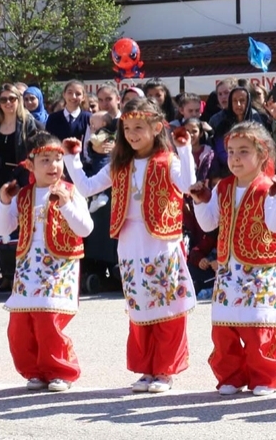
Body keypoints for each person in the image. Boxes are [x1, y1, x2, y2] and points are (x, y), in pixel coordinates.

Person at [63, 98, 198, 394]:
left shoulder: (168, 161)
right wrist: (72, 159)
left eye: (138, 127)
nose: (132, 134)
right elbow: (85, 188)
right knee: (140, 309)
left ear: (157, 126)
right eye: (127, 128)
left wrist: (185, 149)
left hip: (162, 241)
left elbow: (189, 185)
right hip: (129, 244)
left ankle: (164, 370)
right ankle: (147, 369)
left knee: (166, 307)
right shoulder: (119, 164)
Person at [191, 121, 276, 397]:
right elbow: (209, 224)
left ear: (262, 154)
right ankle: (231, 376)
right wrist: (199, 200)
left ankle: (264, 377)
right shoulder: (223, 187)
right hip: (228, 271)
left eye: (243, 151)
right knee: (226, 329)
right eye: (231, 152)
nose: (235, 158)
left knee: (258, 327)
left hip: (260, 269)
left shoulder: (269, 186)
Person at [0, 132, 94, 393]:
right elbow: (2, 228)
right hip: (28, 267)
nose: (54, 166)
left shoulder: (71, 192)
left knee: (49, 320)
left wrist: (65, 206)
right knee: (20, 325)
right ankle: (35, 370)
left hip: (59, 265)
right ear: (30, 165)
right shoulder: (23, 195)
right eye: (45, 160)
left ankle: (61, 370)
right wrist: (5, 202)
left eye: (58, 159)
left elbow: (85, 229)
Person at [0, 84, 41, 218]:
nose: (8, 103)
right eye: (3, 100)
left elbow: (32, 152)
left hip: (20, 178)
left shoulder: (28, 122)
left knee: (19, 220)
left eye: (12, 99)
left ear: (19, 100)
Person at [45, 80, 91, 144]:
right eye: (70, 93)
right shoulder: (53, 118)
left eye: (78, 94)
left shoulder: (88, 118)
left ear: (83, 97)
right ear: (64, 94)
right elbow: (48, 141)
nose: (73, 97)